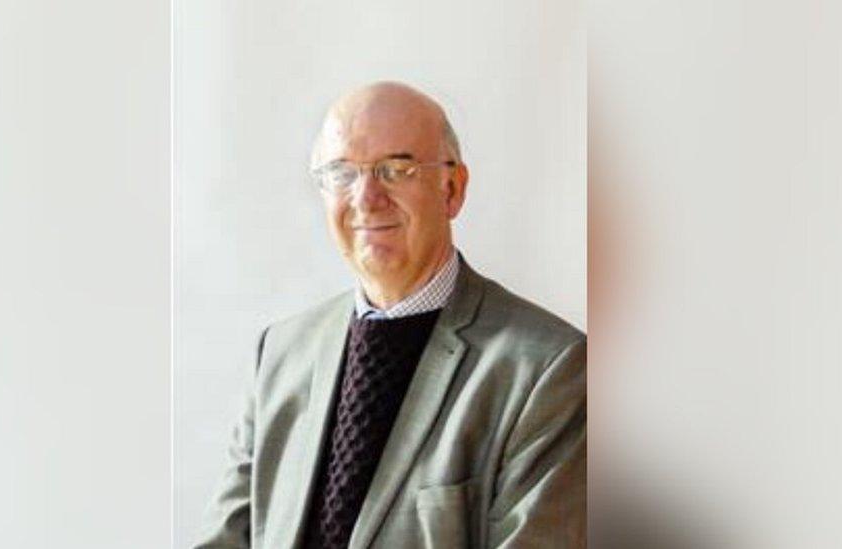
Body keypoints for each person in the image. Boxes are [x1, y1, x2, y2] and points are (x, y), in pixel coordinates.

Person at [194, 82, 586, 548]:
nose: (366, 197)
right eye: (341, 172)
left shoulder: (548, 369)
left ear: (453, 189)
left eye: (396, 169)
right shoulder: (280, 354)